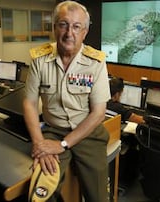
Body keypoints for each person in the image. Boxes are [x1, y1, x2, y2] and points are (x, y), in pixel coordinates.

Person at [23, 1, 110, 201]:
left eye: (76, 26)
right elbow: (29, 103)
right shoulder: (39, 59)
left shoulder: (96, 62)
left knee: (98, 197)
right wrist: (39, 144)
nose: (69, 32)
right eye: (63, 24)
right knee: (40, 195)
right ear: (54, 27)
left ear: (85, 32)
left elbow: (98, 113)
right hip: (53, 131)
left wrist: (63, 145)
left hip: (88, 133)